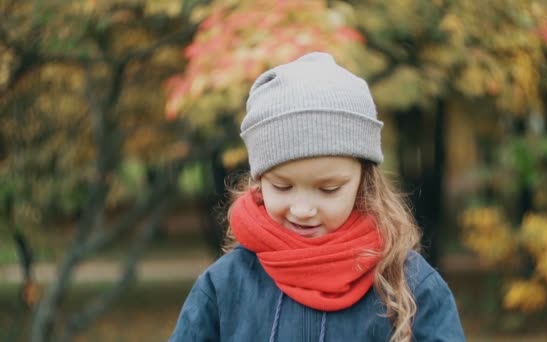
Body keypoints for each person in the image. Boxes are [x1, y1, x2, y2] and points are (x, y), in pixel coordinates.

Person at [169, 52, 465, 341]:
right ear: (259, 182)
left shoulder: (411, 285)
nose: (303, 209)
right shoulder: (225, 285)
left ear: (364, 183)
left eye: (329, 189)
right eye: (282, 187)